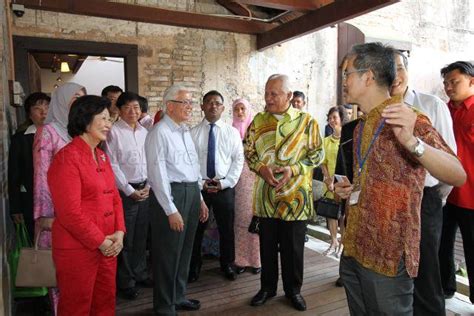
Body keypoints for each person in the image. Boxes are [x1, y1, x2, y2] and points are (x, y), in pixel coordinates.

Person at [334, 42, 466, 315]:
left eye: (347, 73)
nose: (343, 80)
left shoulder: (410, 119)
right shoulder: (360, 127)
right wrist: (352, 188)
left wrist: (411, 141)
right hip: (355, 248)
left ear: (368, 76)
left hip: (388, 257)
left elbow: (458, 173)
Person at [245, 74, 324, 311]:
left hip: (295, 199)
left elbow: (317, 154)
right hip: (266, 199)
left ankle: (293, 291)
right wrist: (261, 168)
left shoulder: (307, 122)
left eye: (274, 94)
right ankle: (267, 288)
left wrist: (294, 169)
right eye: (266, 93)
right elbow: (248, 151)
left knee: (293, 250)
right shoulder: (258, 121)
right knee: (267, 248)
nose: (268, 98)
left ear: (289, 96)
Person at [390, 51, 457, 315]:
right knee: (395, 270)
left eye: (398, 67)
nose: (395, 75)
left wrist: (436, 198)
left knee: (427, 270)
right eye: (388, 68)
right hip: (389, 201)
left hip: (424, 200)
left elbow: (450, 157)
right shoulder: (378, 111)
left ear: (407, 69)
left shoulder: (431, 105)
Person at [48, 95, 125, 315]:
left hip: (108, 245)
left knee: (105, 303)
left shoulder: (101, 156)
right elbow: (69, 213)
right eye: (103, 118)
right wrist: (100, 241)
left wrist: (119, 232)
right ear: (84, 119)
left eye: (110, 119)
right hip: (77, 249)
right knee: (76, 306)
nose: (109, 124)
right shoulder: (66, 158)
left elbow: (115, 198)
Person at [145, 84, 209, 315]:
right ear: (170, 105)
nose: (191, 107)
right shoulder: (159, 132)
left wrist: (199, 198)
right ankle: (164, 305)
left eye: (192, 102)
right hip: (171, 195)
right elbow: (157, 173)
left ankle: (178, 295)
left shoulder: (184, 131)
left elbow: (192, 169)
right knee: (167, 253)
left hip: (191, 192)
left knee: (184, 251)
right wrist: (170, 209)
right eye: (186, 102)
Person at [33, 82, 86, 314]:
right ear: (63, 99)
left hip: (82, 210)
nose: (79, 101)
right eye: (75, 96)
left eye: (83, 97)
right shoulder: (48, 131)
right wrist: (45, 215)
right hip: (57, 213)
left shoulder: (81, 130)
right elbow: (41, 175)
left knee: (80, 272)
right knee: (60, 275)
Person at [188, 90, 244, 282]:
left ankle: (227, 264)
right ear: (202, 106)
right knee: (196, 230)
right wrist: (200, 183)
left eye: (217, 103)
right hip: (200, 188)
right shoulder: (192, 133)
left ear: (223, 108)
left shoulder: (232, 132)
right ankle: (193, 266)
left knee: (227, 229)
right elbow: (189, 162)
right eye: (209, 102)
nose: (213, 106)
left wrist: (225, 183)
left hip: (224, 187)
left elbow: (238, 160)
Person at [104, 92, 151, 300]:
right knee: (126, 238)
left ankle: (139, 273)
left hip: (146, 189)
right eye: (128, 108)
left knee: (141, 236)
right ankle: (125, 281)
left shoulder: (145, 132)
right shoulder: (113, 132)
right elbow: (112, 164)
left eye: (137, 108)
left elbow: (152, 159)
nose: (133, 112)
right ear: (119, 110)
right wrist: (129, 191)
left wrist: (149, 185)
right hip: (125, 193)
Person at [439, 61, 474, 304]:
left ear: (472, 81)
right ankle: (445, 288)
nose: (448, 87)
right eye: (446, 83)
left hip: (471, 195)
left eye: (454, 82)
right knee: (441, 244)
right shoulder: (443, 110)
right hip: (443, 192)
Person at [9, 92, 50, 241]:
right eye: (37, 108)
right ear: (29, 114)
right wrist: (16, 208)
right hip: (31, 201)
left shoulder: (61, 136)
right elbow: (14, 175)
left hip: (58, 200)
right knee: (36, 242)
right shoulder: (20, 139)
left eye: (47, 106)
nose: (43, 111)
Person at [232, 98, 261, 274]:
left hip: (255, 179)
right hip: (236, 182)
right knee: (240, 220)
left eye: (243, 109)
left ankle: (256, 260)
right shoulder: (230, 131)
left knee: (255, 220)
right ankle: (240, 260)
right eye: (237, 109)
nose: (240, 112)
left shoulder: (256, 131)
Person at [320, 106, 347, 257]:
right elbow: (323, 162)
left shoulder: (347, 139)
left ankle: (342, 244)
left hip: (343, 182)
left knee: (342, 215)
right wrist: (327, 179)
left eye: (334, 117)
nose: (332, 121)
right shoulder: (326, 141)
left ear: (341, 119)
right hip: (330, 182)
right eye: (329, 118)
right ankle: (333, 242)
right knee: (330, 213)